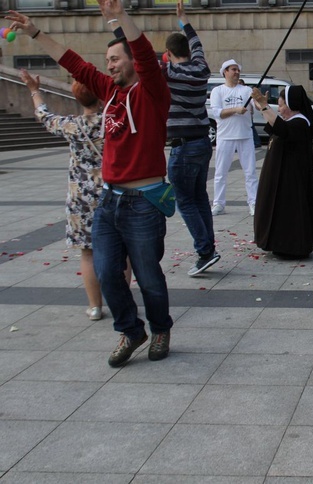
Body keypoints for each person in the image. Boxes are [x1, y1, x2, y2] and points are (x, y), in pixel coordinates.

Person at [8, 0, 174, 367]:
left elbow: (144, 52)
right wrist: (35, 31)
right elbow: (73, 62)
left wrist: (120, 18)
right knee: (106, 273)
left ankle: (160, 328)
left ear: (132, 62)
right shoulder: (110, 91)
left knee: (148, 276)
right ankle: (132, 331)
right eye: (107, 60)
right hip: (109, 201)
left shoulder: (151, 93)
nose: (108, 65)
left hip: (144, 201)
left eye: (115, 59)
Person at [20, 72, 106, 320]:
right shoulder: (113, 122)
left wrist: (34, 89)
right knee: (120, 252)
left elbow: (43, 116)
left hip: (81, 198)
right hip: (112, 193)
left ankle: (95, 307)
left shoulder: (72, 125)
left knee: (87, 253)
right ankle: (122, 300)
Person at [161, 0, 220, 276]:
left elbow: (139, 56)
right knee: (198, 197)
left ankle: (205, 250)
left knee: (186, 200)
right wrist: (184, 20)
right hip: (202, 142)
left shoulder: (170, 73)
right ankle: (209, 247)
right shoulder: (201, 68)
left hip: (183, 147)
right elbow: (197, 44)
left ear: (169, 54)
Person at [251, 85, 313, 259]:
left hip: (291, 178)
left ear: (292, 104)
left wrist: (265, 106)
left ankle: (292, 246)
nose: (279, 110)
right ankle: (278, 244)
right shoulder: (289, 121)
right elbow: (276, 126)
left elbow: (282, 130)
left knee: (290, 211)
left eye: (281, 106)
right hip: (282, 175)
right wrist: (262, 108)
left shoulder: (301, 122)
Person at [210, 59, 258, 216]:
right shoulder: (218, 91)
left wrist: (258, 99)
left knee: (250, 172)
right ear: (225, 72)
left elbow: (256, 106)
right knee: (220, 173)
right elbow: (218, 113)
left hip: (245, 135)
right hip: (225, 136)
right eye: (233, 69)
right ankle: (219, 203)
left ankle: (253, 203)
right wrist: (236, 109)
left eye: (237, 69)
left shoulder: (245, 90)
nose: (236, 72)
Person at [238, 78, 263, 148]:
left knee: (251, 128)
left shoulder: (247, 91)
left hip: (247, 116)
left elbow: (253, 103)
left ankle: (256, 142)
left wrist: (260, 107)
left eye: (240, 83)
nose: (239, 85)